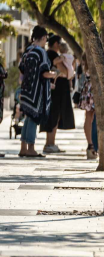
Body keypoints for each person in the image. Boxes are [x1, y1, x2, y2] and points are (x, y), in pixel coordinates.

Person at [17, 26, 56, 158]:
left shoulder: (27, 51)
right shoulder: (41, 53)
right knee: (34, 117)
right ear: (44, 37)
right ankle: (31, 148)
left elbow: (22, 68)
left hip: (26, 89)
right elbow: (44, 72)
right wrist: (54, 74)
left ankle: (23, 148)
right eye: (46, 39)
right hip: (37, 92)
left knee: (28, 117)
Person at [42, 36, 75, 154]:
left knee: (52, 114)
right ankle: (50, 143)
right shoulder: (54, 55)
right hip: (58, 90)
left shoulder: (47, 54)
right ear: (56, 44)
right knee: (54, 115)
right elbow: (65, 72)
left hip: (52, 88)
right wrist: (68, 72)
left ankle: (50, 143)